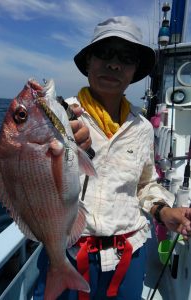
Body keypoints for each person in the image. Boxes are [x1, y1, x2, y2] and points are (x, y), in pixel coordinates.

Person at [33, 16, 191, 300]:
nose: (114, 64)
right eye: (105, 54)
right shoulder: (56, 114)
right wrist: (56, 140)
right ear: (89, 62)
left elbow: (145, 184)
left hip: (130, 255)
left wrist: (164, 212)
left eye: (126, 58)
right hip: (69, 252)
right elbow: (27, 167)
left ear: (134, 71)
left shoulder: (142, 128)